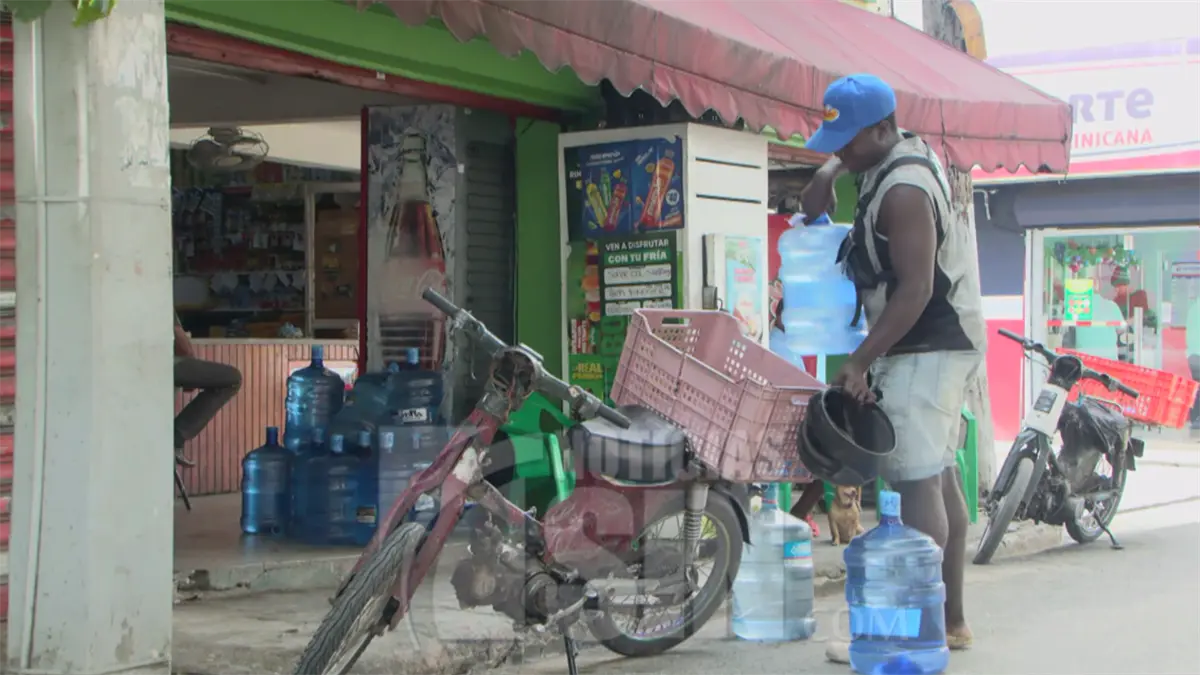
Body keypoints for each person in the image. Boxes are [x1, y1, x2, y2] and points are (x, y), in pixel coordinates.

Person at [800, 74, 985, 658]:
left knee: (912, 477)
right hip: (922, 339)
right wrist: (831, 170)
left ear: (883, 129)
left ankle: (913, 632)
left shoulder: (904, 190)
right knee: (934, 473)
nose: (840, 149)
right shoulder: (882, 159)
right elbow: (814, 202)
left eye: (848, 139)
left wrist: (858, 362)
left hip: (928, 338)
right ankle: (949, 622)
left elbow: (915, 289)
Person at [174, 313, 242, 464]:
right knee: (232, 379)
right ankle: (175, 438)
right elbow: (181, 344)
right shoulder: (160, 296)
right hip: (167, 364)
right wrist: (190, 366)